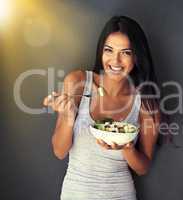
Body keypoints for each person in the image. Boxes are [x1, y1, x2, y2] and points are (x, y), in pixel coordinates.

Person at [43, 16, 161, 200]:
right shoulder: (78, 82)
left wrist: (127, 147)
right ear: (101, 51)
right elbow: (59, 151)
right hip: (75, 193)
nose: (115, 60)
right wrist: (68, 116)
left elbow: (143, 167)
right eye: (109, 50)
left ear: (136, 57)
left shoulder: (145, 102)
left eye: (126, 52)